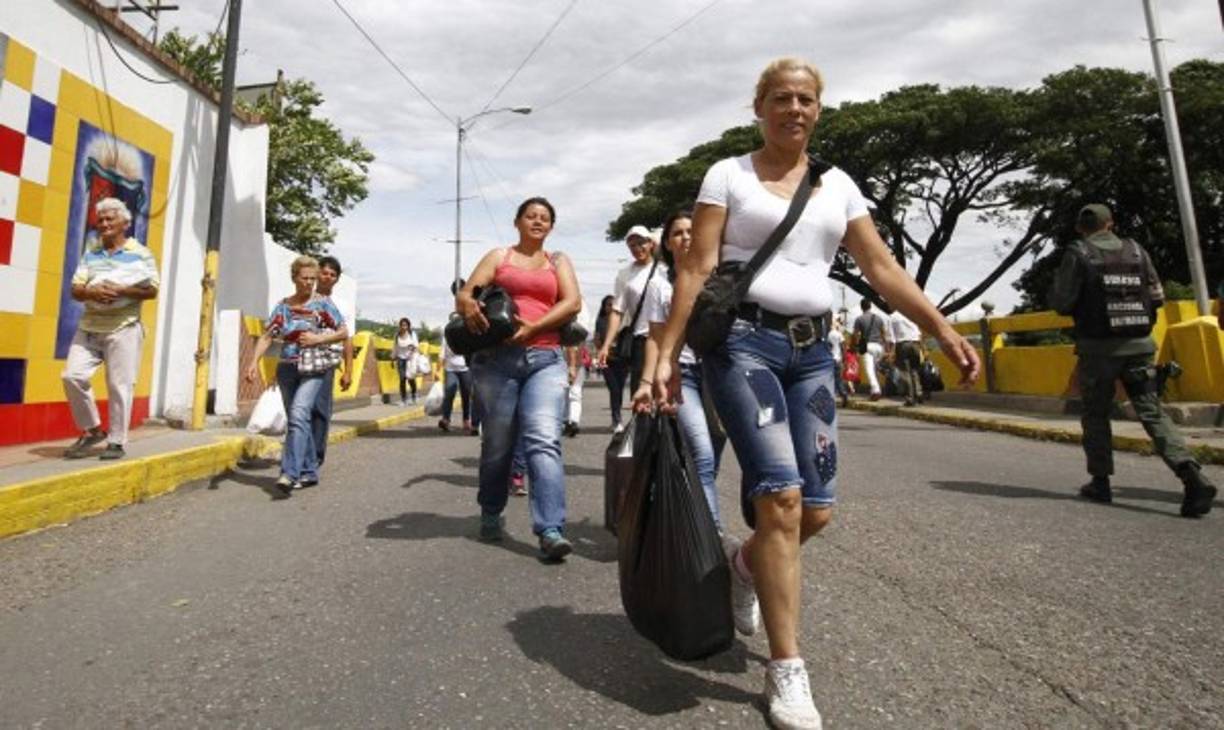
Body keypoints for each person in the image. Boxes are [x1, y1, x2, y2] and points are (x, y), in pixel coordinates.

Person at [651, 58, 980, 730]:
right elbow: (698, 267)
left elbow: (881, 267)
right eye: (780, 98)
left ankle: (745, 566)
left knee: (817, 513)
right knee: (781, 499)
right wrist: (665, 356)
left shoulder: (839, 186)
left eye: (805, 99)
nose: (793, 108)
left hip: (813, 355)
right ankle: (787, 668)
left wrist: (941, 328)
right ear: (759, 108)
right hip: (743, 346)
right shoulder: (728, 175)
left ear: (818, 110)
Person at [1049, 203, 1216, 518]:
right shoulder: (1137, 251)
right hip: (1140, 346)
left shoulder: (1078, 253)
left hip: (1098, 350)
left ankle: (1100, 482)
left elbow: (1062, 302)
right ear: (1110, 223)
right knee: (1152, 412)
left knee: (1096, 414)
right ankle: (1191, 474)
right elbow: (1157, 297)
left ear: (1080, 228)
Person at [456, 197, 582, 560]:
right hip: (497, 360)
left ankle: (550, 529)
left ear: (551, 227)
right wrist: (467, 302)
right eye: (531, 216)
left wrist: (536, 327)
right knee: (498, 443)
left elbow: (572, 303)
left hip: (546, 358)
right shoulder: (499, 257)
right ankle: (491, 510)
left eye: (544, 218)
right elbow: (466, 293)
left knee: (543, 439)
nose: (537, 221)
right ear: (517, 222)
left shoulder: (558, 261)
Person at [632, 210, 727, 529]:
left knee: (715, 444)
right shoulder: (659, 286)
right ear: (667, 244)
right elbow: (655, 339)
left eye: (691, 231)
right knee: (702, 453)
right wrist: (647, 382)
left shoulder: (719, 277)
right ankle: (710, 532)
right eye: (677, 233)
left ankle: (686, 509)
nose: (686, 237)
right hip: (681, 375)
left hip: (719, 372)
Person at [62, 197, 159, 460]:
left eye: (110, 219)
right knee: (72, 376)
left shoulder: (141, 253)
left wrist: (121, 290)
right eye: (101, 220)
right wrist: (91, 291)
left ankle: (116, 442)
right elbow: (75, 289)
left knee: (120, 385)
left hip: (123, 328)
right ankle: (93, 430)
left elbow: (152, 290)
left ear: (124, 223)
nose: (104, 224)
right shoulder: (91, 254)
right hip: (89, 326)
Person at [245, 255, 348, 495]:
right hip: (287, 369)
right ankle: (309, 471)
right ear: (294, 278)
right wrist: (253, 362)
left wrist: (318, 338)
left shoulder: (323, 304)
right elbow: (268, 335)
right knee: (297, 419)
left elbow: (343, 331)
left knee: (299, 413)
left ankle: (289, 473)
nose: (309, 283)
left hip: (313, 369)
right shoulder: (283, 306)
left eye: (312, 279)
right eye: (305, 278)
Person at [597, 225, 658, 433]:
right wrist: (606, 345)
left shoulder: (665, 268)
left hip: (668, 339)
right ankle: (642, 445)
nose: (637, 248)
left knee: (668, 399)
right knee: (641, 401)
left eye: (641, 242)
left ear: (651, 243)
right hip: (642, 339)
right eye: (632, 245)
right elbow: (617, 311)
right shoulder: (625, 274)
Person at [311, 255, 353, 466]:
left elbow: (348, 339)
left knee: (320, 408)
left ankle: (315, 457)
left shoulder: (342, 305)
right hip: (301, 360)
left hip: (327, 362)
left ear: (337, 279)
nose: (327, 277)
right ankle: (301, 453)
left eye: (332, 274)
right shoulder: (303, 299)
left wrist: (348, 371)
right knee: (299, 410)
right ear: (317, 273)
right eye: (324, 272)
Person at [851, 298, 888, 400]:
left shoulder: (859, 319)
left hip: (867, 347)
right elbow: (884, 334)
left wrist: (855, 346)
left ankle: (876, 391)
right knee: (875, 369)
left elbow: (855, 335)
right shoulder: (879, 318)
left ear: (861, 307)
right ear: (870, 306)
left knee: (869, 370)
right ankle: (873, 391)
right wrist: (887, 348)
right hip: (879, 347)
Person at [887, 307, 924, 406]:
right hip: (915, 344)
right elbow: (919, 334)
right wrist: (923, 349)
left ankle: (910, 398)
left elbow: (892, 338)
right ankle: (918, 392)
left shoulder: (892, 317)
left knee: (905, 372)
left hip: (902, 345)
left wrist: (891, 352)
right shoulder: (910, 313)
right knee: (914, 370)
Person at [438, 332, 473, 433]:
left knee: (466, 394)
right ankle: (446, 419)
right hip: (450, 369)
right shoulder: (447, 337)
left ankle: (466, 420)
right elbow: (442, 354)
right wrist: (437, 370)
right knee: (449, 392)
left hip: (465, 369)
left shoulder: (467, 335)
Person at [392, 318, 419, 405]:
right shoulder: (397, 335)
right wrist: (392, 357)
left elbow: (416, 346)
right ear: (400, 326)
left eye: (405, 325)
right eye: (402, 325)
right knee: (402, 379)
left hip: (410, 359)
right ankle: (404, 399)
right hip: (400, 359)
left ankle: (414, 394)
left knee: (410, 378)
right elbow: (395, 347)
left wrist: (411, 352)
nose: (404, 327)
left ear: (408, 326)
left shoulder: (412, 334)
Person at [562, 343, 586, 437]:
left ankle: (570, 422)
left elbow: (577, 351)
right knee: (574, 395)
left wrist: (573, 367)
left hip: (569, 366)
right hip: (573, 366)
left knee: (570, 394)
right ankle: (572, 421)